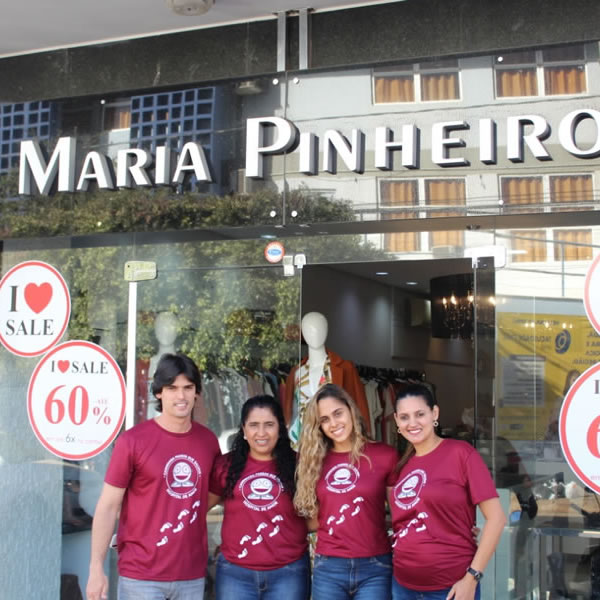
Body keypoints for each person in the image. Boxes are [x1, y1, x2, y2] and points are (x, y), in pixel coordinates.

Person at [86, 352, 221, 600]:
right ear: (159, 392)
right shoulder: (132, 441)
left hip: (190, 574)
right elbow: (108, 506)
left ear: (196, 392)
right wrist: (96, 568)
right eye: (172, 388)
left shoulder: (208, 442)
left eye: (188, 388)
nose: (181, 396)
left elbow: (211, 494)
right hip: (141, 575)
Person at [390, 383, 506, 600]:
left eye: (420, 414)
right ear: (396, 420)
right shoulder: (403, 465)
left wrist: (472, 578)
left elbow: (497, 519)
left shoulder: (461, 454)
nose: (412, 423)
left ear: (434, 413)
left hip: (450, 587)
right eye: (404, 417)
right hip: (402, 586)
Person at [294, 383, 398, 600]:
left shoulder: (385, 455)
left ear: (351, 410)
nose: (333, 424)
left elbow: (401, 515)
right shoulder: (313, 461)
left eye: (338, 413)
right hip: (329, 567)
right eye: (324, 419)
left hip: (375, 566)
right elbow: (316, 518)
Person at [209, 395, 310, 600]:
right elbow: (200, 507)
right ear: (244, 430)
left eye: (269, 425)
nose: (261, 433)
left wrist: (287, 531)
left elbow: (318, 516)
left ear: (280, 429)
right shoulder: (225, 466)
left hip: (289, 572)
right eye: (254, 425)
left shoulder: (300, 465)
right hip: (235, 573)